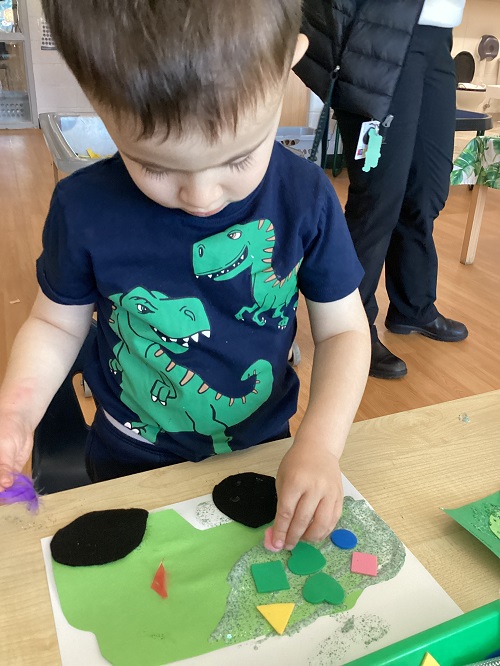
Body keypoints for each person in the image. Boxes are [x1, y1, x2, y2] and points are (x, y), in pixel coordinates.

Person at [0, 0, 370, 551]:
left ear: (289, 64)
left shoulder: (307, 198)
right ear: (94, 95)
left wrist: (321, 444)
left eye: (240, 157)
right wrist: (15, 409)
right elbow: (56, 326)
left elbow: (343, 331)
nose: (201, 196)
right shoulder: (83, 208)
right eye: (154, 165)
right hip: (129, 454)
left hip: (262, 449)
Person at [296, 0, 468, 379]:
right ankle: (353, 325)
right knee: (378, 196)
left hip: (439, 40)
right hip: (381, 33)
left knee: (427, 189)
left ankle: (414, 306)